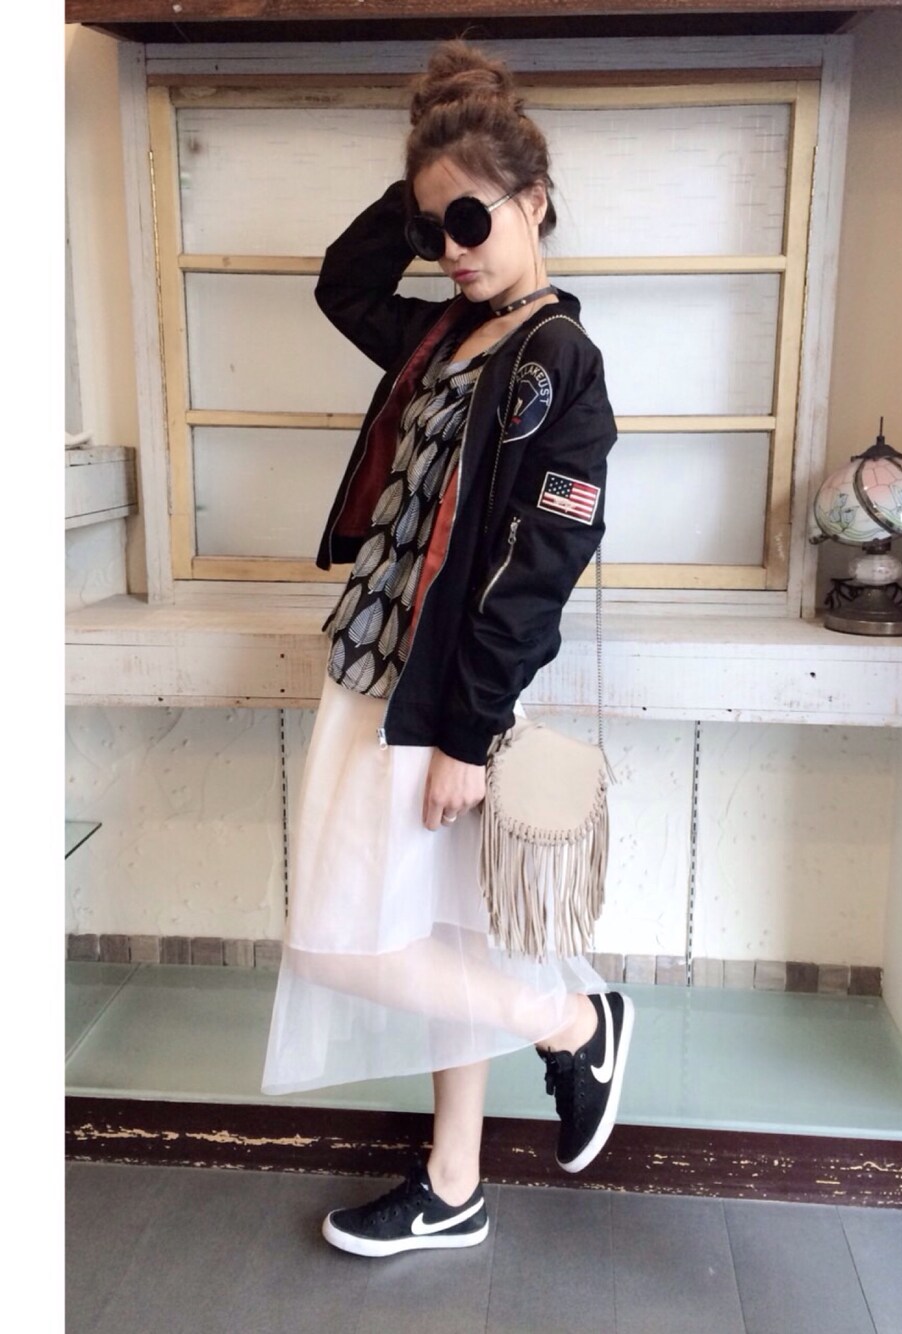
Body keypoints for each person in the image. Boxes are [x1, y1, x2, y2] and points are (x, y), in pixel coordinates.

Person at [262, 39, 633, 1259]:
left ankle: (573, 1024)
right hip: (375, 665)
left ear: (535, 199)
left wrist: (465, 736)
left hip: (433, 697)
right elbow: (341, 282)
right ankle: (453, 1179)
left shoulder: (557, 363)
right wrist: (429, 170)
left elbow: (538, 571)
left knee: (338, 942)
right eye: (435, 232)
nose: (452, 249)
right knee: (442, 934)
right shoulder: (442, 336)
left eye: (474, 218)